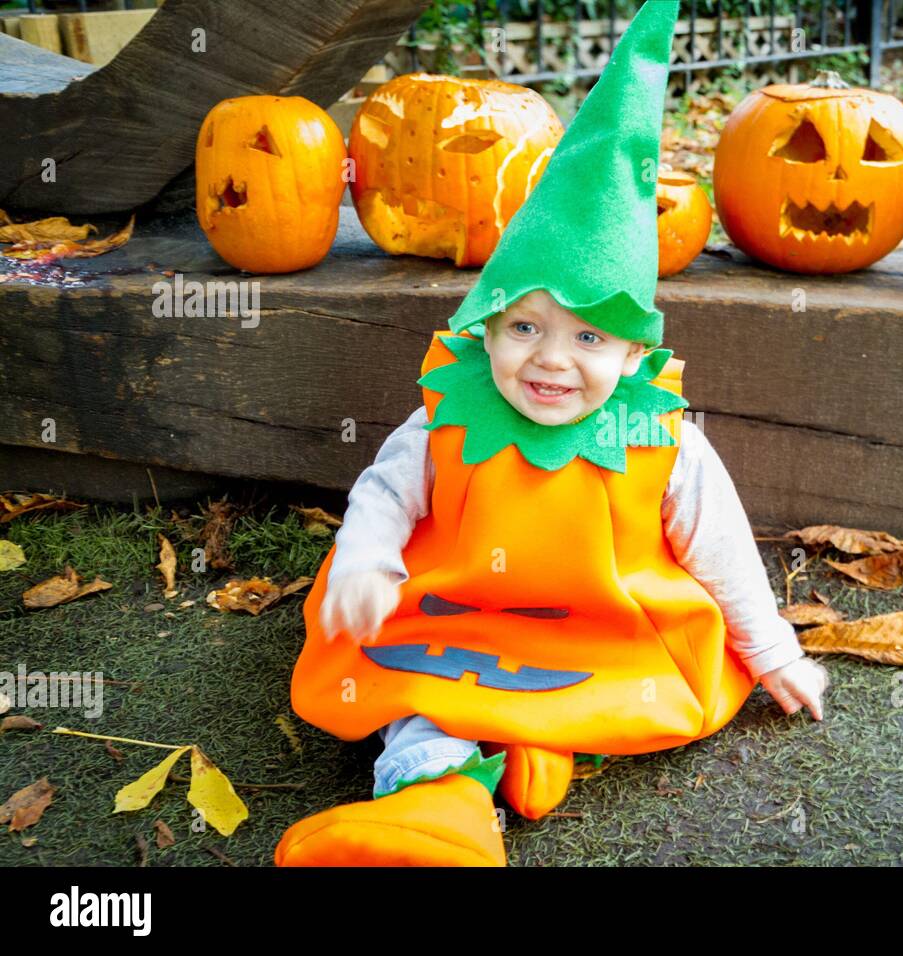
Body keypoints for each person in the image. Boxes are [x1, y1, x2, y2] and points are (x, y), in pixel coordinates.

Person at [275, 0, 826, 867]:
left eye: (589, 337)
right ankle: (438, 807)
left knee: (617, 693)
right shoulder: (445, 417)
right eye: (524, 328)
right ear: (483, 326)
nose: (552, 362)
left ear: (636, 349)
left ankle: (534, 746)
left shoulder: (664, 438)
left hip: (602, 629)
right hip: (458, 618)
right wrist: (366, 561)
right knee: (419, 692)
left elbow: (721, 548)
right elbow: (383, 495)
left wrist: (773, 651)